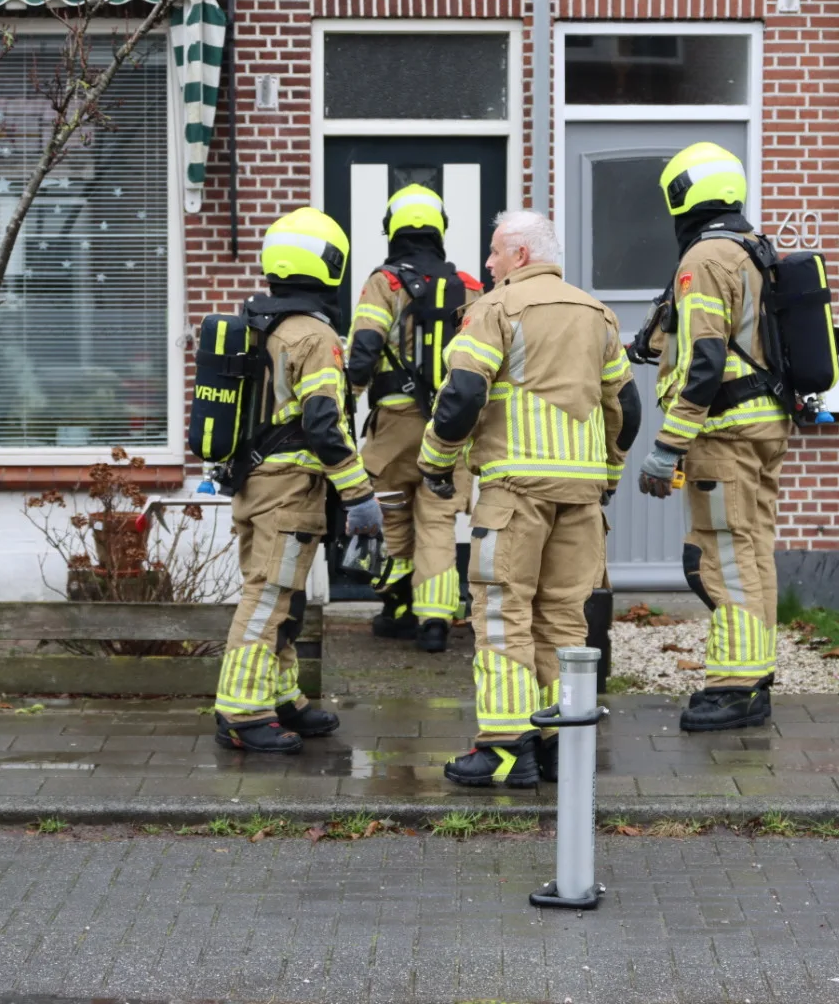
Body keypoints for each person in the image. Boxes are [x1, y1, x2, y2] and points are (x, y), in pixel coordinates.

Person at [419, 209, 640, 787]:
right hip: (581, 497)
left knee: (502, 612)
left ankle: (506, 747)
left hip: (515, 494)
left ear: (520, 254)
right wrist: (609, 474)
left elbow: (463, 394)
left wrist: (435, 461)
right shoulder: (598, 314)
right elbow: (626, 407)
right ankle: (560, 746)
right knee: (565, 619)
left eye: (495, 251)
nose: (488, 262)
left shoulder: (494, 309)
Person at [213, 207, 384, 754]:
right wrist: (359, 494)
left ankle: (282, 695)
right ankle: (242, 712)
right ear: (330, 264)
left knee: (282, 597)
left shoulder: (258, 325)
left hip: (254, 481)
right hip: (288, 489)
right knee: (268, 597)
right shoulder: (314, 335)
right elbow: (324, 423)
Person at [637, 142, 790, 732]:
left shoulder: (704, 258)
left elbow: (706, 359)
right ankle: (755, 675)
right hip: (764, 425)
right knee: (751, 550)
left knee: (720, 556)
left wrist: (668, 445)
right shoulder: (753, 249)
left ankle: (735, 689)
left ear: (682, 196)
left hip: (724, 432)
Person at [345, 184, 483, 653]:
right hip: (451, 426)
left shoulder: (384, 283)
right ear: (440, 229)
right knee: (438, 521)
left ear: (393, 230)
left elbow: (364, 349)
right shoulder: (470, 287)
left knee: (392, 515)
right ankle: (436, 621)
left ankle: (399, 608)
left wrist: (346, 401)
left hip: (395, 425)